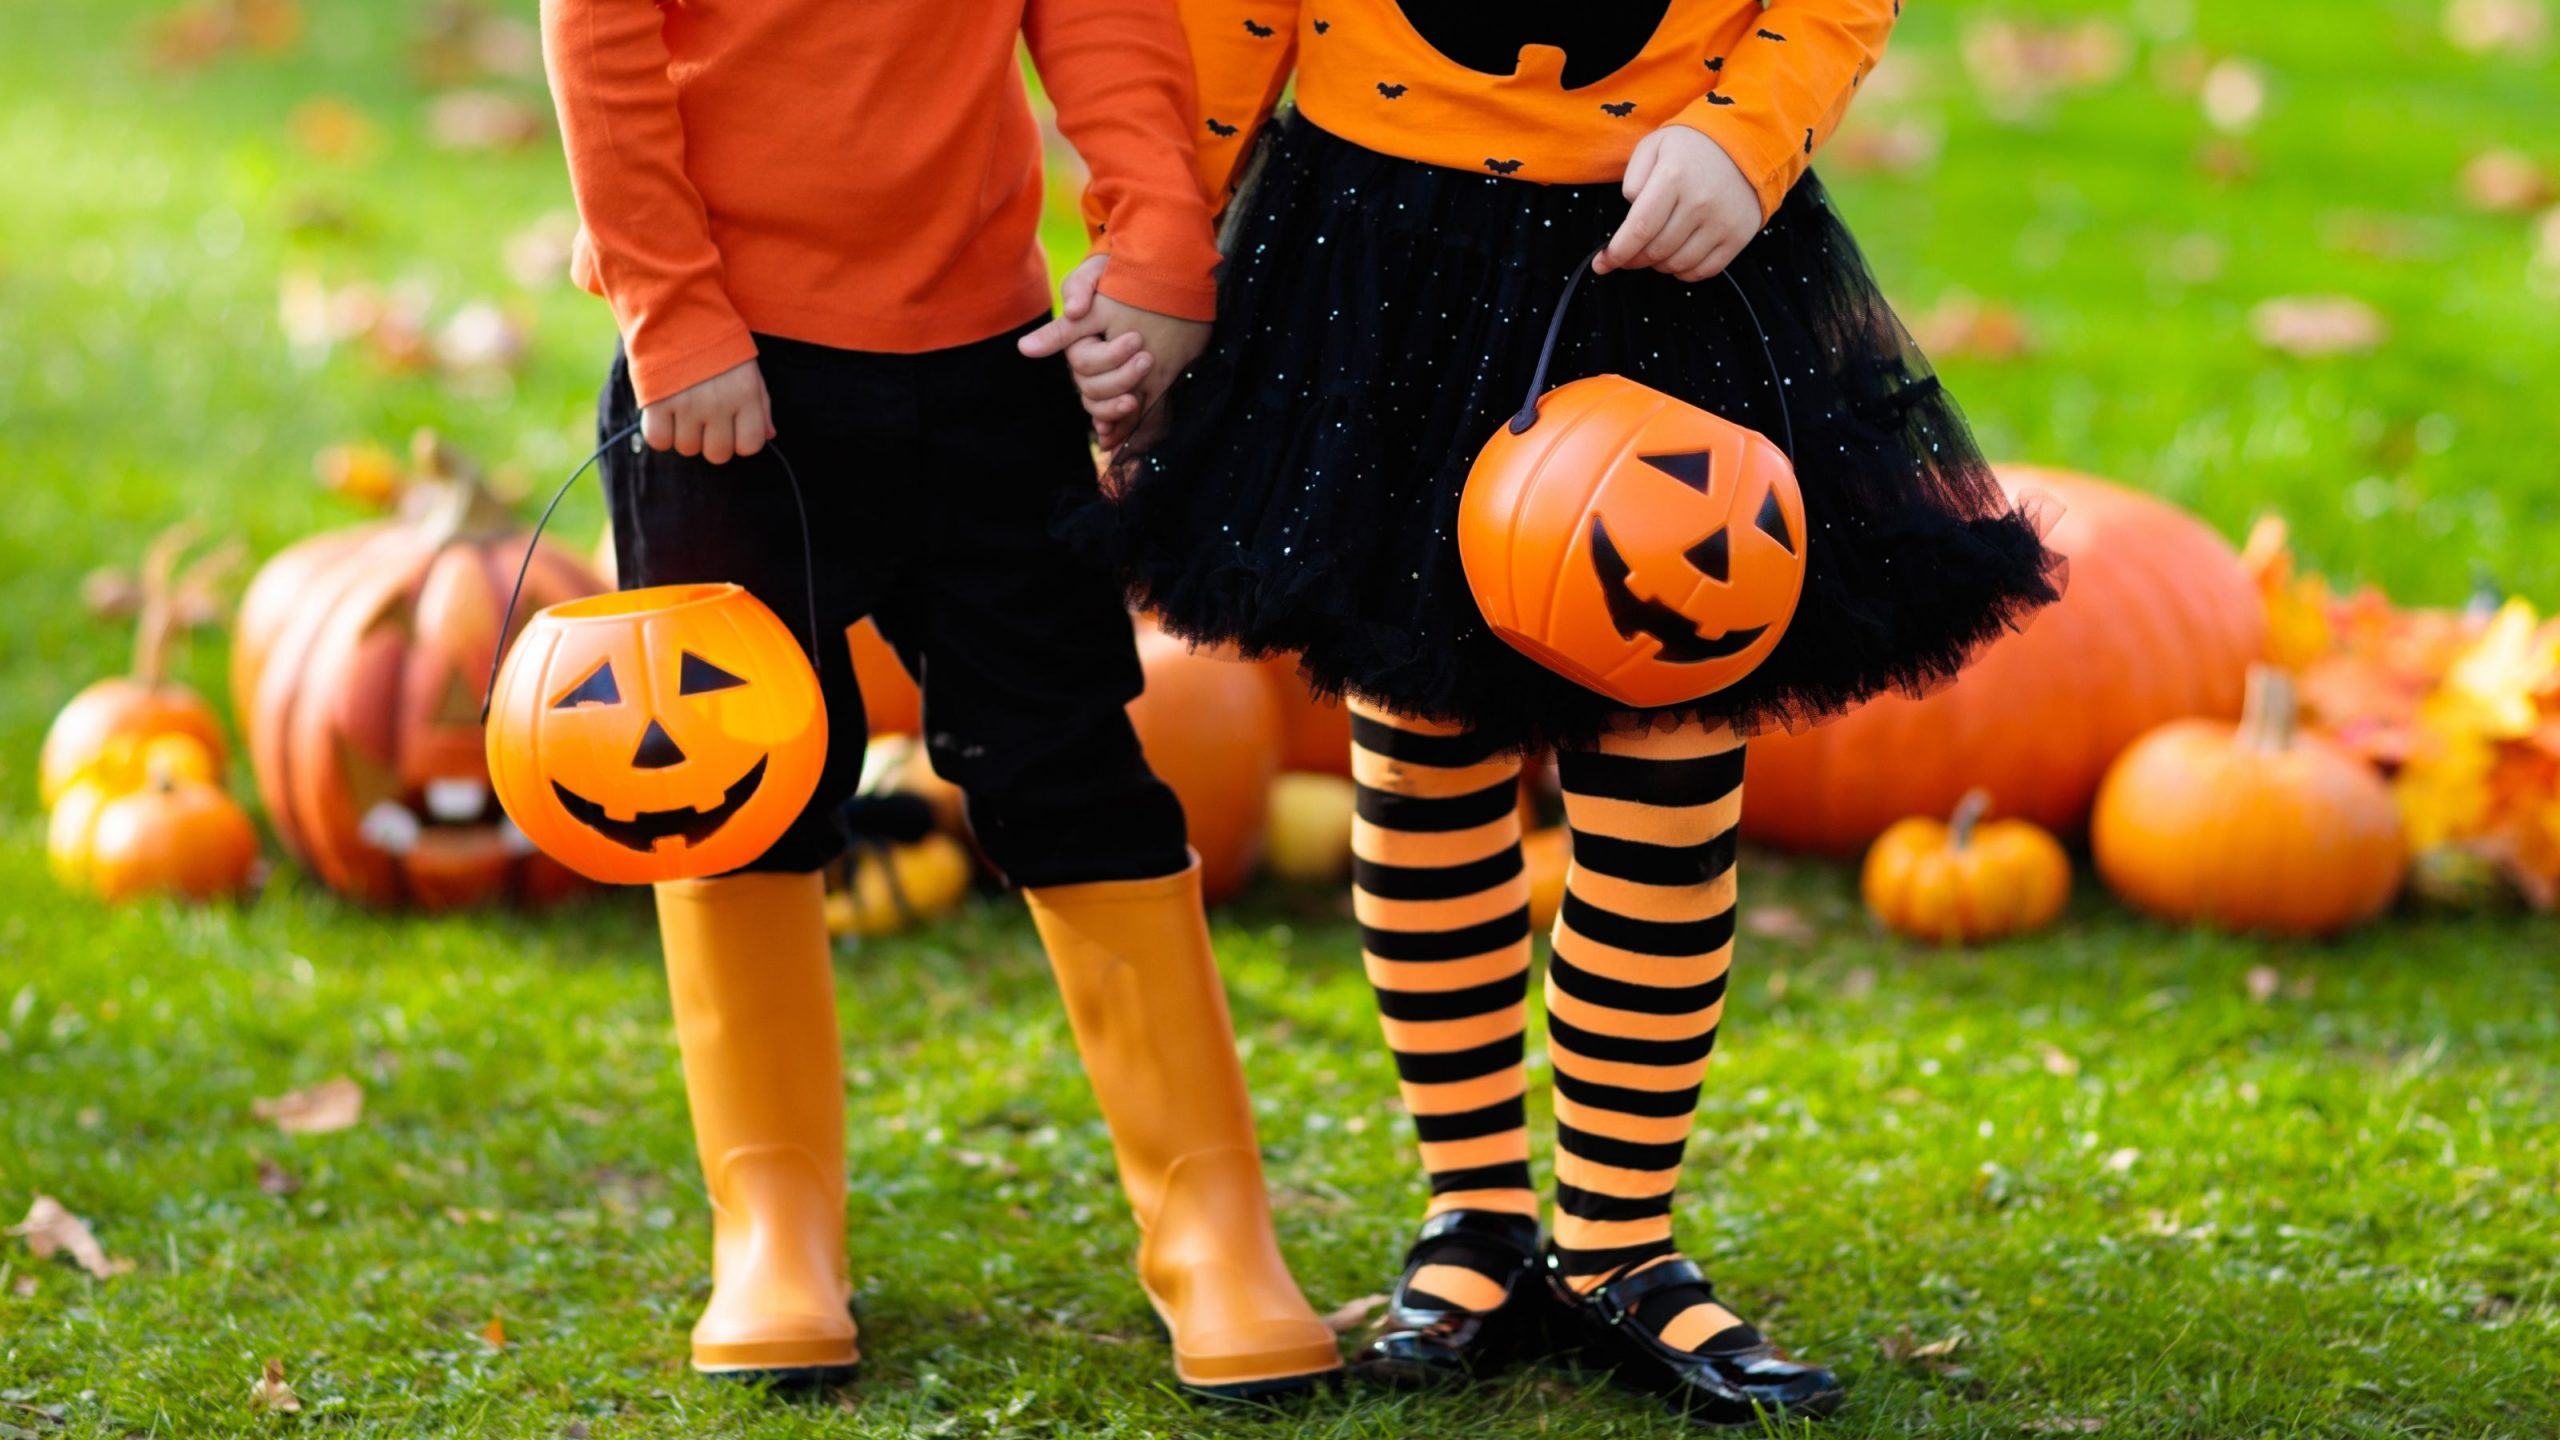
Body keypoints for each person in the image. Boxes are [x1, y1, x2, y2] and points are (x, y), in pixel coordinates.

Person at [1047, 2, 2064, 1424]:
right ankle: (1474, 1218)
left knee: (1672, 745)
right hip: (1379, 262)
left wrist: (1744, 132)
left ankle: (1617, 1241)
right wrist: (1160, 252)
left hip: (1666, 249)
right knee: (1422, 745)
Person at [536, 0, 1343, 1399]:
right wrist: (673, 314)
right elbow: (599, 35)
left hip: (985, 368)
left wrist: (1152, 249)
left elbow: (1101, 20)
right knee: (726, 785)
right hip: (730, 377)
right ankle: (773, 1224)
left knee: (1072, 764)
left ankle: (1210, 1227)